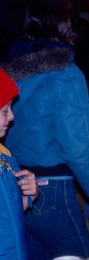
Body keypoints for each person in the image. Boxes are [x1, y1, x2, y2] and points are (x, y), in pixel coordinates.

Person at [1, 0, 89, 259]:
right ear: (66, 26)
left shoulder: (9, 71)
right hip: (52, 192)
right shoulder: (66, 74)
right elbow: (78, 149)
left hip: (16, 184)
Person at [0, 69, 38, 260]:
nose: (12, 117)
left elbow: (11, 215)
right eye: (5, 110)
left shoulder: (4, 156)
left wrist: (28, 194)